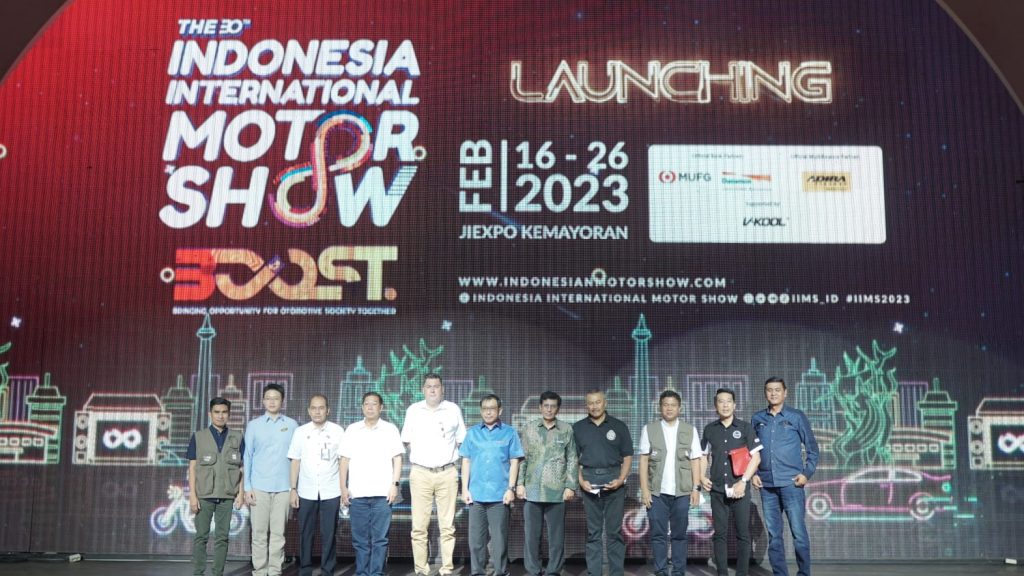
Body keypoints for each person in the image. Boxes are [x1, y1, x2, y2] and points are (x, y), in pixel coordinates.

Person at [751, 377, 819, 576]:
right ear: (765, 393)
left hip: (792, 484)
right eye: (769, 390)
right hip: (767, 485)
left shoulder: (796, 416)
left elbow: (813, 449)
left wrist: (806, 473)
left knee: (798, 533)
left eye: (777, 390)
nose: (773, 393)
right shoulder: (757, 418)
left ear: (785, 392)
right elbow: (751, 451)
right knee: (774, 535)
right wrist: (753, 473)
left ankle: (803, 573)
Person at [401, 374, 467, 576]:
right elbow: (406, 440)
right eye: (428, 386)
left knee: (447, 526)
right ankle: (421, 569)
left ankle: (446, 569)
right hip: (421, 473)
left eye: (436, 386)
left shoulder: (452, 409)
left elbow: (461, 440)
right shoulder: (413, 410)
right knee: (419, 527)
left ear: (442, 389)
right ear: (423, 389)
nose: (432, 390)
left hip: (447, 473)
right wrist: (423, 458)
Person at [638, 390, 704, 576]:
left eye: (673, 405)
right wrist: (644, 490)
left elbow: (695, 460)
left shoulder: (690, 430)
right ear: (660, 407)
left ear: (679, 408)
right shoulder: (649, 429)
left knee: (679, 535)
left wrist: (696, 488)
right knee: (658, 535)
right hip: (656, 492)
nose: (669, 408)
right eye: (665, 405)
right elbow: (643, 461)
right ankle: (660, 571)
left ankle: (678, 571)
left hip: (682, 492)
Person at [340, 391, 404, 576]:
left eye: (374, 404)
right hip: (357, 494)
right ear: (362, 407)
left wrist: (395, 485)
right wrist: (343, 488)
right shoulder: (352, 429)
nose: (370, 407)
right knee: (360, 540)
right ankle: (362, 572)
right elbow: (344, 460)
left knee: (380, 540)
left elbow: (397, 459)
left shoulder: (390, 429)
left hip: (383, 494)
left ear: (381, 407)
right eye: (367, 404)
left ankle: (376, 573)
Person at [460, 394, 524, 576]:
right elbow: (466, 461)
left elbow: (514, 461)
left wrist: (511, 489)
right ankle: (477, 572)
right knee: (476, 541)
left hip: (499, 496)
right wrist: (464, 489)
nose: (488, 412)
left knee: (499, 540)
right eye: (485, 409)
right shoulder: (472, 433)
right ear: (481, 411)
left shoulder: (509, 432)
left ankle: (501, 572)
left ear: (500, 410)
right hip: (476, 495)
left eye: (492, 408)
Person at [701, 388, 762, 576]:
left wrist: (743, 481)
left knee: (743, 534)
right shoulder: (709, 429)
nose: (725, 405)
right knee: (719, 534)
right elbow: (703, 456)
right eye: (721, 401)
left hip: (740, 490)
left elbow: (756, 457)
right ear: (715, 405)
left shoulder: (745, 428)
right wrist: (702, 476)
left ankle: (741, 573)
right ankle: (722, 572)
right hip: (717, 490)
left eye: (729, 401)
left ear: (735, 405)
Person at [572, 389, 633, 576]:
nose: (594, 406)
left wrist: (621, 480)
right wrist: (581, 481)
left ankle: (616, 573)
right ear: (586, 405)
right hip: (589, 483)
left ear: (605, 403)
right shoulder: (578, 428)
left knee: (614, 533)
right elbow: (573, 458)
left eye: (597, 402)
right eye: (590, 403)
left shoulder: (618, 426)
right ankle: (594, 573)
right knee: (593, 533)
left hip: (614, 483)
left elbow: (628, 456)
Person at [516, 391, 578, 576]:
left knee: (556, 537)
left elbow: (572, 458)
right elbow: (523, 459)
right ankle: (533, 570)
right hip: (532, 490)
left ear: (558, 409)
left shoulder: (566, 429)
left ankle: (553, 571)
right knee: (531, 536)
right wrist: (520, 484)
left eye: (553, 406)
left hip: (556, 491)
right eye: (546, 406)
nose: (549, 409)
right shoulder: (529, 429)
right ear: (540, 407)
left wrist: (570, 486)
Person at [243, 383, 298, 576]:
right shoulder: (254, 425)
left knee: (278, 534)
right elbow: (247, 456)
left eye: (276, 398)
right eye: (268, 398)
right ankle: (259, 571)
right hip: (259, 487)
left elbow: (296, 458)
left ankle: (275, 571)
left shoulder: (292, 425)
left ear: (282, 401)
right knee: (258, 533)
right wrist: (247, 487)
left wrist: (294, 488)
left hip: (283, 487)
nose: (272, 401)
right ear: (263, 401)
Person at [288, 394, 345, 576]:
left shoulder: (338, 431)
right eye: (314, 408)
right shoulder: (300, 432)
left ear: (328, 410)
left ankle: (327, 570)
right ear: (309, 411)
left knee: (329, 534)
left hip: (331, 490)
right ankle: (305, 569)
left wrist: (344, 489)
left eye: (321, 408)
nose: (317, 411)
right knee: (306, 533)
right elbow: (295, 461)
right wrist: (293, 489)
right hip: (306, 490)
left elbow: (343, 462)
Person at [187, 397, 245, 576]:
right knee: (201, 536)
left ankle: (217, 573)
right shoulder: (198, 437)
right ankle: (198, 573)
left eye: (224, 412)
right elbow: (192, 467)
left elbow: (241, 467)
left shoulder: (238, 437)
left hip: (227, 496)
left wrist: (240, 493)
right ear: (210, 414)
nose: (221, 416)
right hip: (204, 495)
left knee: (222, 538)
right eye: (217, 412)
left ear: (229, 414)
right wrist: (192, 495)